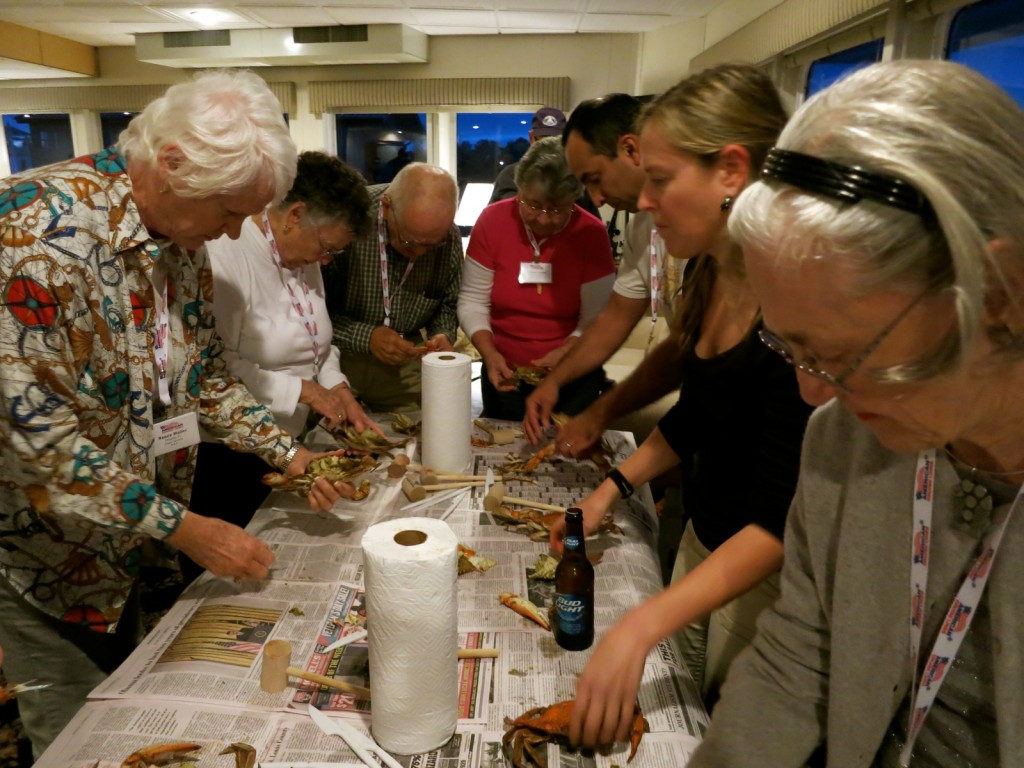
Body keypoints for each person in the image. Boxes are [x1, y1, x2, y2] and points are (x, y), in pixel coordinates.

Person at [0, 70, 348, 758]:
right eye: (229, 211)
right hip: (50, 555)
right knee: (78, 741)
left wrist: (288, 454)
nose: (237, 231)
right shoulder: (31, 237)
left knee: (134, 713)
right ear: (171, 166)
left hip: (137, 543)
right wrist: (184, 527)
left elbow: (205, 378)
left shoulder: (181, 242)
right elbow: (38, 441)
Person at [687, 59, 1024, 767]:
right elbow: (796, 659)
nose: (814, 395)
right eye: (789, 349)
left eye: (841, 354)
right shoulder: (845, 442)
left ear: (1000, 293)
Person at [551, 63, 813, 748]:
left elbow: (782, 516)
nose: (642, 202)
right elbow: (702, 411)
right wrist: (610, 488)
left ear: (732, 171)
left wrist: (642, 624)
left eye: (661, 181)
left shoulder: (798, 304)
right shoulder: (710, 265)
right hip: (705, 532)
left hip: (762, 575)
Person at [182, 151, 379, 583]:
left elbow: (318, 341)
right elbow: (216, 367)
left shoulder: (301, 255)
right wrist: (305, 392)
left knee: (279, 566)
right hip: (226, 453)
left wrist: (338, 389)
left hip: (289, 442)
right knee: (227, 578)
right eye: (327, 248)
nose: (326, 260)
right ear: (295, 215)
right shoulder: (227, 256)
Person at [524, 93, 682, 455]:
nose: (595, 199)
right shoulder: (642, 226)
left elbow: (683, 349)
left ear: (631, 149)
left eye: (595, 179)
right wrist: (555, 383)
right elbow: (614, 318)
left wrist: (600, 413)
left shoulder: (712, 221)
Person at [459, 135, 616, 421]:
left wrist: (567, 351)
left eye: (557, 209)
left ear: (574, 198)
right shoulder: (492, 222)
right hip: (504, 371)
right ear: (519, 189)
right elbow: (472, 300)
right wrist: (490, 353)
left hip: (573, 375)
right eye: (532, 205)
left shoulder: (591, 233)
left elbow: (596, 318)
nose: (544, 219)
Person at [322, 162, 462, 412]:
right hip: (333, 354)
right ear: (386, 207)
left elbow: (447, 304)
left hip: (403, 358)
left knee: (427, 430)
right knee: (323, 440)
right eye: (410, 241)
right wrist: (367, 337)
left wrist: (441, 335)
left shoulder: (445, 234)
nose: (419, 254)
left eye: (431, 246)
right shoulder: (347, 218)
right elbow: (310, 313)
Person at [489, 106, 603, 219]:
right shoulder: (509, 176)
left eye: (555, 140)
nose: (549, 147)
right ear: (531, 138)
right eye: (543, 140)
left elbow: (592, 228)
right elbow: (492, 221)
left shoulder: (578, 180)